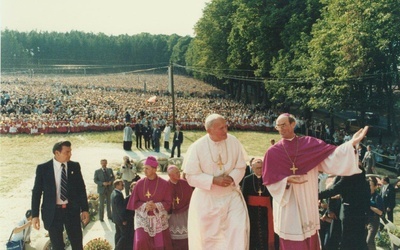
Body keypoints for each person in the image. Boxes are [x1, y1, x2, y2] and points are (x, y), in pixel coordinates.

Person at [262, 113, 368, 249]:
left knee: (309, 236)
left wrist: (350, 144)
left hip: (307, 198)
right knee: (291, 238)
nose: (281, 129)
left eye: (284, 125)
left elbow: (332, 156)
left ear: (293, 124)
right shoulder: (273, 152)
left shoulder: (309, 144)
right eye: (278, 126)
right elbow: (269, 181)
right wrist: (286, 181)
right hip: (288, 202)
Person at [182, 113, 250, 249]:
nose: (226, 131)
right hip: (207, 199)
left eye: (226, 126)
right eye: (221, 128)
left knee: (238, 230)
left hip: (231, 195)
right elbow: (190, 176)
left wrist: (231, 178)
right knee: (209, 239)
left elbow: (241, 166)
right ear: (209, 130)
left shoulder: (233, 141)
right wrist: (213, 180)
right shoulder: (197, 147)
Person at [31, 141, 90, 250]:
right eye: (67, 152)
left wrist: (85, 209)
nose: (70, 154)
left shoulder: (75, 166)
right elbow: (36, 192)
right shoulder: (43, 169)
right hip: (53, 213)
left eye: (70, 151)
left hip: (71, 211)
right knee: (57, 247)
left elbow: (81, 189)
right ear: (57, 153)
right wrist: (35, 215)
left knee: (77, 244)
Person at [126, 156, 173, 249]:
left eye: (147, 168)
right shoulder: (139, 183)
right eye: (144, 168)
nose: (144, 170)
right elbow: (134, 203)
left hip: (158, 219)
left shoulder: (164, 184)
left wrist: (155, 205)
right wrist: (145, 205)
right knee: (141, 242)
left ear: (154, 169)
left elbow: (168, 202)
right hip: (143, 219)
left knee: (160, 244)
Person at [241, 158, 276, 250]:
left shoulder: (268, 178)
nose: (259, 170)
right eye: (257, 168)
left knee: (265, 234)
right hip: (252, 212)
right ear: (252, 168)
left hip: (266, 213)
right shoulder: (247, 179)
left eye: (261, 168)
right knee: (253, 235)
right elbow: (244, 196)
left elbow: (273, 195)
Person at [167, 165, 193, 250]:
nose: (179, 174)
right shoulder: (166, 185)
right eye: (176, 173)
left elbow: (191, 197)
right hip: (172, 216)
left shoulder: (185, 183)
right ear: (170, 175)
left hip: (186, 214)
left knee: (187, 239)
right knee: (174, 240)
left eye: (179, 172)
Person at [111, 179, 129, 250]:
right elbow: (120, 209)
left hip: (116, 218)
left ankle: (116, 246)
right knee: (124, 235)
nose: (123, 186)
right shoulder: (118, 195)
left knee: (118, 234)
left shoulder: (113, 193)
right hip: (119, 219)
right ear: (117, 185)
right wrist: (123, 219)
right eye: (122, 185)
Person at [366, 176, 383, 250]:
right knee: (368, 242)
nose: (368, 187)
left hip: (374, 221)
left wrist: (369, 207)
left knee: (369, 241)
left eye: (370, 185)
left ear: (375, 186)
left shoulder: (377, 197)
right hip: (366, 220)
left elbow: (380, 212)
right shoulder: (366, 195)